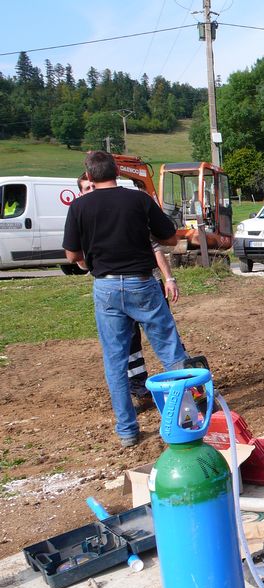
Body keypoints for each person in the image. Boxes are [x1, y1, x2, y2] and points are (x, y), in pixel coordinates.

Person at [64, 152, 189, 448]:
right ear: (117, 172)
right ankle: (187, 418)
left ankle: (127, 431)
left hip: (105, 287)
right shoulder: (139, 199)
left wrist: (87, 261)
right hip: (142, 284)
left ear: (89, 175)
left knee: (115, 361)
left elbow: (72, 255)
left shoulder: (79, 206)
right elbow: (170, 238)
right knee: (171, 351)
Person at [77, 174, 183, 403]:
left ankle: (185, 391)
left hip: (142, 284)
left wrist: (168, 278)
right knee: (130, 345)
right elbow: (77, 257)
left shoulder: (125, 208)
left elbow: (158, 246)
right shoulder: (86, 214)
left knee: (166, 340)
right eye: (86, 188)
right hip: (114, 289)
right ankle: (140, 388)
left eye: (92, 186)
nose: (91, 190)